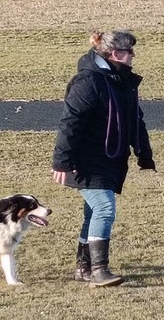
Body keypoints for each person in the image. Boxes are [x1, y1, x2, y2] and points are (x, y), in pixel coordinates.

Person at [52, 29, 155, 288]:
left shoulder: (123, 81)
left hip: (112, 159)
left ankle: (84, 268)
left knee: (93, 213)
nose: (133, 55)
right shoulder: (89, 81)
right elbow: (70, 123)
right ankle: (99, 271)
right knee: (104, 209)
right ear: (114, 53)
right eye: (129, 51)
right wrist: (62, 162)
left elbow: (136, 119)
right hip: (87, 160)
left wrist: (144, 152)